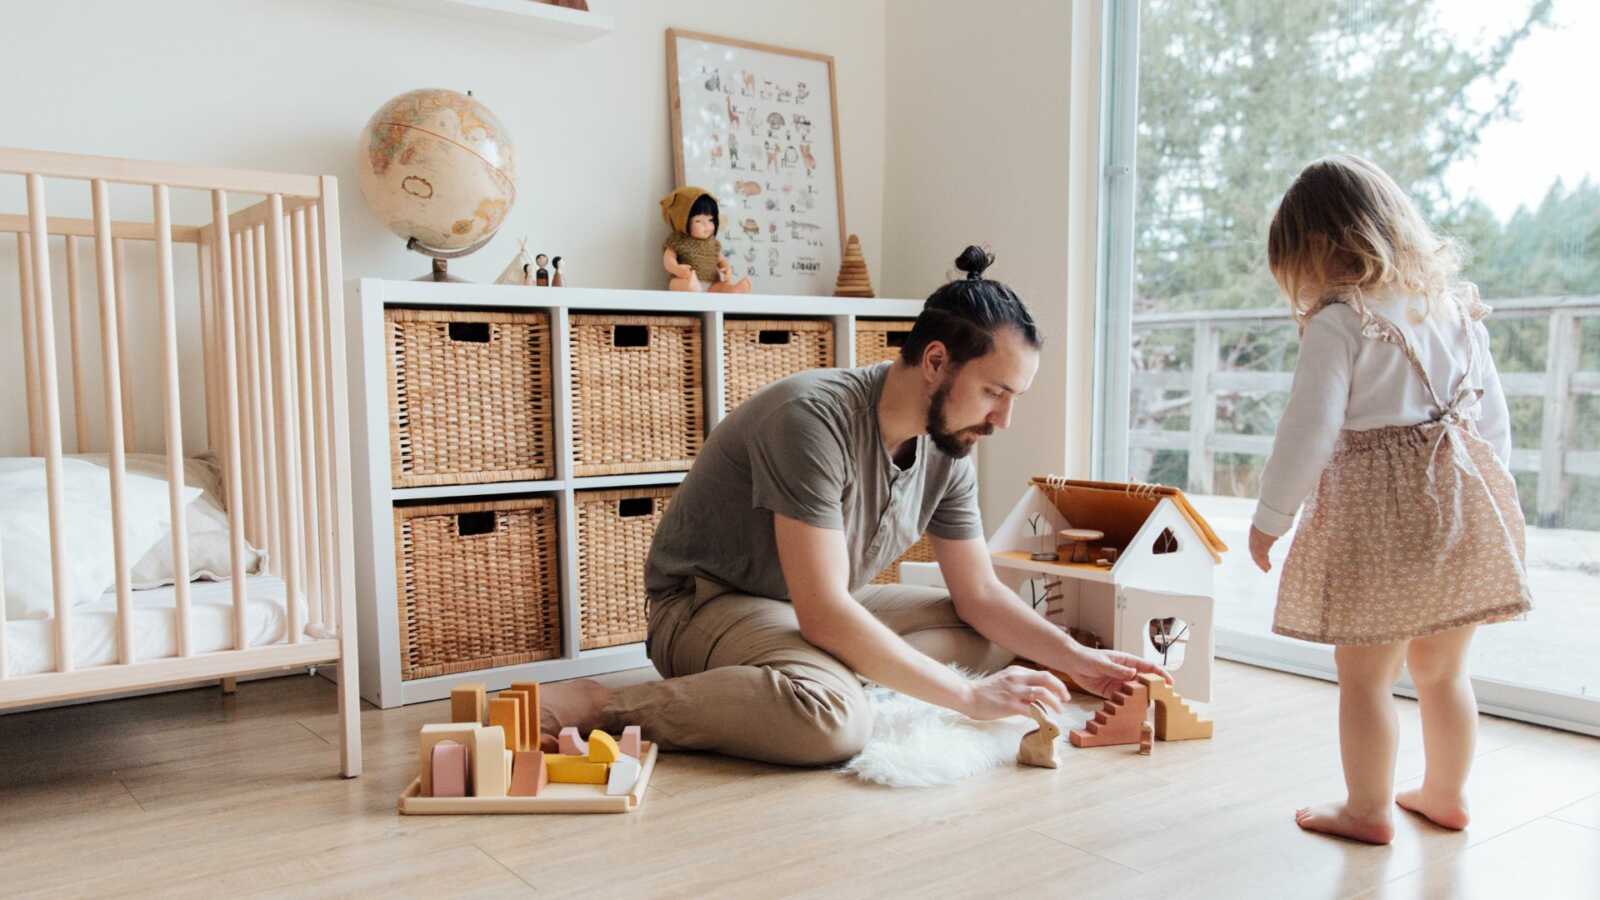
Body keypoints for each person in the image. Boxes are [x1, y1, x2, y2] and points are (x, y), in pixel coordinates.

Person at [541, 245, 1168, 765]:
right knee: (836, 723)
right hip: (708, 604)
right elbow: (823, 612)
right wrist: (968, 701)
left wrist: (1083, 663)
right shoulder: (810, 420)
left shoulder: (949, 446)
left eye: (1014, 397)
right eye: (994, 393)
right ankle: (612, 705)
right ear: (935, 361)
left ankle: (823, 676)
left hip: (816, 603)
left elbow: (979, 594)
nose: (1003, 419)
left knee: (988, 641)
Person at [1248, 154, 1533, 844]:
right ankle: (1445, 794)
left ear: (1316, 250)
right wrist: (1498, 500)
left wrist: (1270, 520)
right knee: (1443, 670)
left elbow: (1307, 432)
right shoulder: (1456, 310)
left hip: (1380, 517)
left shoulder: (1340, 321)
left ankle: (1368, 809)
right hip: (1464, 500)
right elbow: (1492, 426)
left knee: (1366, 675)